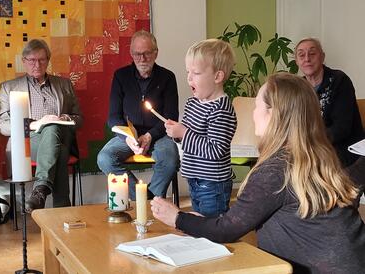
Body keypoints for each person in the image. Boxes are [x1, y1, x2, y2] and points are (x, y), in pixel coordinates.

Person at [151, 72, 365, 274]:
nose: (253, 113)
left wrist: (177, 217)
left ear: (273, 114)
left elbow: (227, 230)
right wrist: (198, 221)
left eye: (256, 105)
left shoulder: (277, 168)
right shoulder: (319, 157)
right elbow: (241, 218)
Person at [0, 39, 83, 212]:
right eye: (32, 60)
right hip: (28, 142)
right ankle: (61, 211)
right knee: (59, 148)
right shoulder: (9, 87)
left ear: (48, 61)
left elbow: (79, 119)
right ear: (24, 61)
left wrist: (63, 118)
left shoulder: (64, 85)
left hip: (60, 135)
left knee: (53, 131)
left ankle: (40, 190)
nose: (37, 64)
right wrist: (36, 124)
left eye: (42, 60)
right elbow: (3, 125)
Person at [97, 30, 179, 200]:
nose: (142, 59)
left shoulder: (168, 77)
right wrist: (128, 138)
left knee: (170, 161)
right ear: (131, 53)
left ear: (156, 53)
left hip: (159, 135)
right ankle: (144, 198)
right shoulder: (121, 76)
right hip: (128, 136)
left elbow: (171, 117)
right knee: (105, 158)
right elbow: (113, 117)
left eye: (147, 53)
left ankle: (152, 199)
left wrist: (149, 136)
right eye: (137, 54)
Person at [164, 39, 236, 217]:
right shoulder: (193, 103)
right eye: (188, 72)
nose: (189, 78)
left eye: (195, 73)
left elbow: (215, 150)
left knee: (211, 227)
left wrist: (184, 133)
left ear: (217, 76)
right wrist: (176, 133)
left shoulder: (221, 109)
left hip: (213, 184)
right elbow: (186, 138)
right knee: (198, 223)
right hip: (194, 179)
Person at [295, 37, 364, 167]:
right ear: (297, 62)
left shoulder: (339, 81)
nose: (307, 59)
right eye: (301, 55)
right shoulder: (299, 87)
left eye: (312, 53)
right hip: (311, 149)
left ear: (322, 57)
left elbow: (341, 129)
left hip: (344, 149)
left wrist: (310, 142)